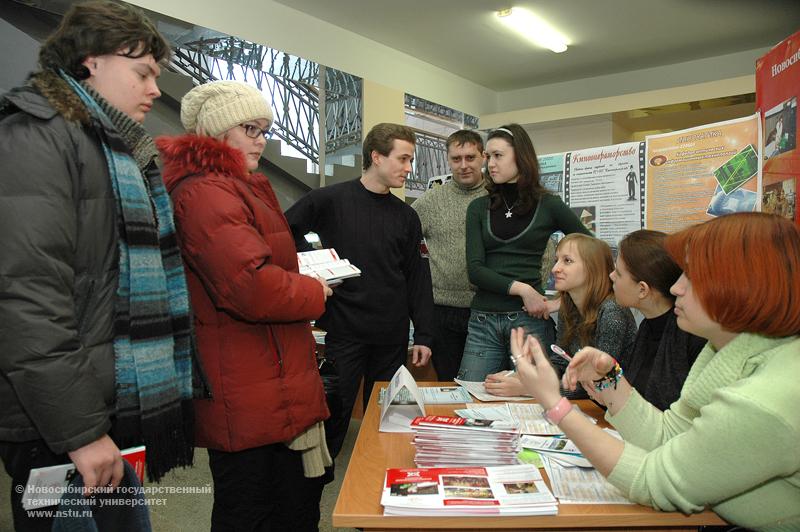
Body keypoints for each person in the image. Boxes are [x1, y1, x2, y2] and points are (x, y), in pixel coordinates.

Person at [0, 2, 199, 530]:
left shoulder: (117, 148)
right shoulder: (35, 137)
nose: (155, 89)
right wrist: (81, 432)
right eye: (143, 73)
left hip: (101, 407)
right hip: (57, 424)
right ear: (91, 61)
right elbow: (26, 302)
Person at [511, 212, 800, 530]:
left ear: (741, 287)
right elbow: (669, 434)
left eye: (692, 277)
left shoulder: (766, 399)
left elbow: (653, 480)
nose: (676, 288)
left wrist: (556, 405)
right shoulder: (729, 348)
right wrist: (610, 382)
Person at [156, 80, 333, 531]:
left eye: (264, 130)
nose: (261, 139)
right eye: (250, 128)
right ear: (216, 134)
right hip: (246, 381)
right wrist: (313, 291)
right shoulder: (207, 192)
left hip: (266, 374)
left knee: (285, 503)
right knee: (250, 509)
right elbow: (249, 288)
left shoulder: (241, 186)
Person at [285, 123, 434, 458]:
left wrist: (424, 333)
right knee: (334, 415)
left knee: (385, 417)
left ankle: (374, 480)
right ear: (376, 157)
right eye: (403, 159)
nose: (409, 169)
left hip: (391, 336)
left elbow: (418, 277)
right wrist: (313, 266)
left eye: (411, 160)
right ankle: (320, 483)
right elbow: (284, 231)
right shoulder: (329, 199)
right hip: (344, 331)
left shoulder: (407, 217)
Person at [457, 123, 591, 382]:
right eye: (488, 157)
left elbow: (594, 252)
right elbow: (475, 270)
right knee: (470, 400)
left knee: (535, 403)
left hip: (528, 321)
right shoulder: (478, 207)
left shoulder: (548, 204)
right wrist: (524, 289)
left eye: (498, 156)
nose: (490, 164)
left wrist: (560, 303)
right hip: (482, 321)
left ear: (520, 156)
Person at [485, 233, 636, 398]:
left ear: (593, 267)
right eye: (557, 260)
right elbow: (561, 362)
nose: (555, 268)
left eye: (567, 261)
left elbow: (599, 384)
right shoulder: (569, 306)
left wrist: (529, 389)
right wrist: (530, 377)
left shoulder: (612, 312)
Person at [412, 129, 487, 381]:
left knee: (486, 385)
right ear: (448, 160)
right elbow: (399, 240)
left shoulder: (498, 198)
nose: (463, 165)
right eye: (456, 159)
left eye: (470, 157)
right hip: (441, 312)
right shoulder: (431, 201)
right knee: (450, 383)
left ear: (483, 157)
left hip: (487, 310)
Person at [610, 230, 706, 410]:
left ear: (642, 290)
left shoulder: (691, 335)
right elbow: (633, 396)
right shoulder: (648, 326)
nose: (611, 276)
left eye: (618, 273)